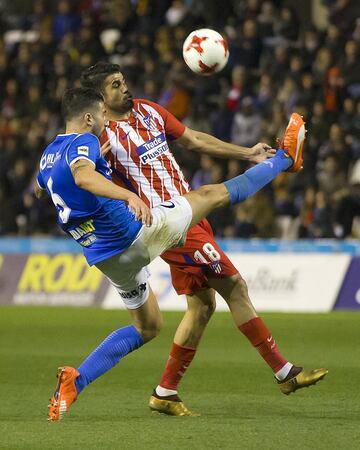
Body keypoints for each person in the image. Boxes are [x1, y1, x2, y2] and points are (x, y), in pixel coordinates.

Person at [36, 87, 327, 422]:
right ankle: (286, 158)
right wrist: (127, 196)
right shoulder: (83, 142)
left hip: (107, 257)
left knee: (148, 326)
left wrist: (93, 168)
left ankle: (78, 379)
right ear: (88, 118)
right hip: (137, 235)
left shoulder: (49, 154)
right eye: (102, 114)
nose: (106, 120)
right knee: (213, 193)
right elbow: (83, 176)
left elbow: (42, 187)